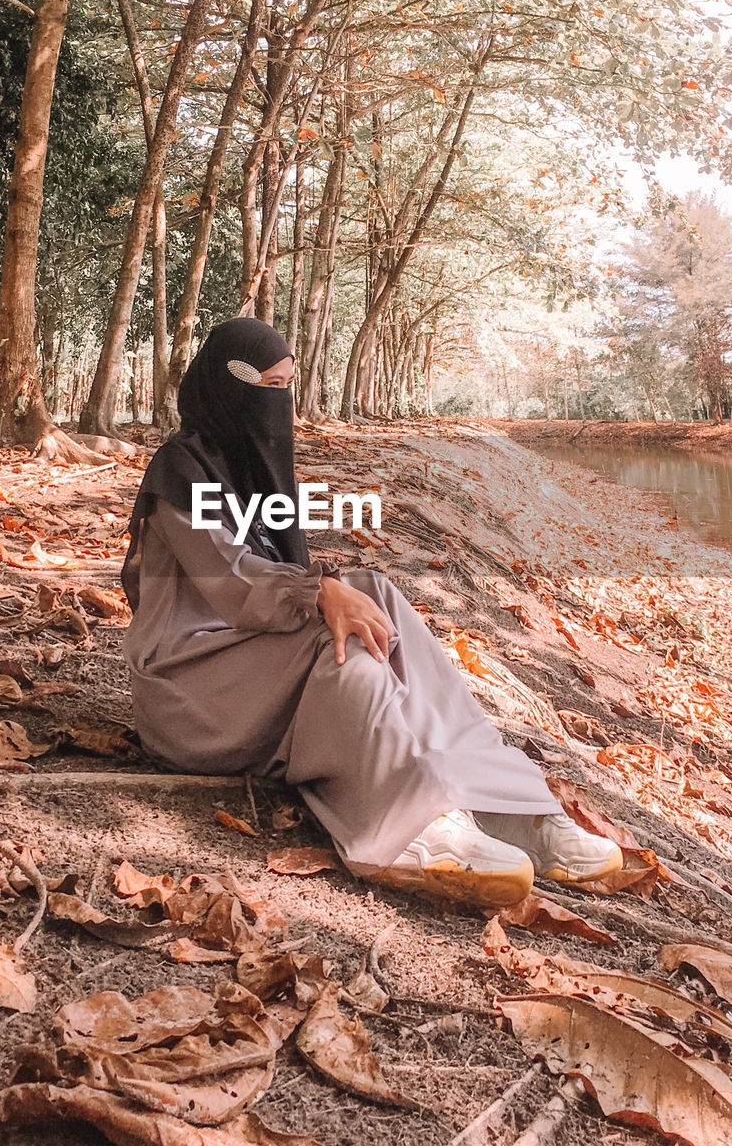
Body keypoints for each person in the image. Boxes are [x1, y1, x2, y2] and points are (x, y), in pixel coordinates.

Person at [120, 318, 622, 907]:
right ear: (232, 387)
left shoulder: (251, 467)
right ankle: (410, 826)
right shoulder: (179, 471)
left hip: (247, 659)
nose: (282, 404)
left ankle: (501, 802)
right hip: (190, 684)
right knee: (344, 648)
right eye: (272, 389)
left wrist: (335, 590)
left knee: (371, 595)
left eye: (289, 387)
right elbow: (229, 577)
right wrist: (317, 592)